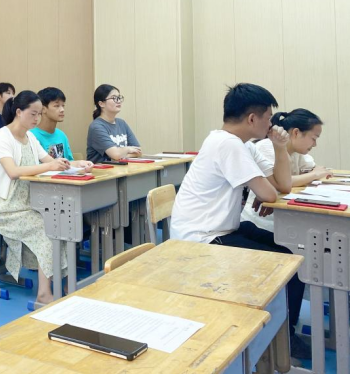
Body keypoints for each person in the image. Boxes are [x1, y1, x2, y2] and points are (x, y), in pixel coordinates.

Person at [170, 83, 307, 357]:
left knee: (290, 254)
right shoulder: (227, 144)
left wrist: (280, 148)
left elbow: (282, 185)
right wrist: (262, 192)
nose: (271, 124)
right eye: (268, 118)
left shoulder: (238, 144)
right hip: (202, 238)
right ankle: (281, 340)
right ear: (252, 119)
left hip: (221, 227)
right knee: (287, 266)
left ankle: (279, 331)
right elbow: (269, 194)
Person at [0, 91, 92, 304]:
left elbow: (50, 161)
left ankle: (64, 283)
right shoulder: (2, 136)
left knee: (60, 222)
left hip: (25, 202)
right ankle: (43, 293)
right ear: (18, 112)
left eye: (39, 114)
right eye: (33, 114)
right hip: (2, 206)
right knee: (47, 229)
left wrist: (77, 164)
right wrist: (50, 166)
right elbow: (13, 172)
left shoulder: (30, 137)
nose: (37, 118)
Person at [241, 109, 329, 233]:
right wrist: (314, 175)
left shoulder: (299, 153)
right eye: (313, 138)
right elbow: (281, 183)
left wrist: (312, 174)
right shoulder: (266, 146)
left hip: (285, 218)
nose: (315, 144)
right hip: (259, 223)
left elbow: (312, 171)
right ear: (296, 132)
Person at [86, 84, 142, 162]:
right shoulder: (96, 127)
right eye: (114, 98)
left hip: (123, 167)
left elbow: (138, 151)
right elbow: (115, 154)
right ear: (101, 103)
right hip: (102, 169)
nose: (118, 101)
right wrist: (128, 149)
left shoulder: (122, 123)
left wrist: (121, 156)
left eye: (119, 97)